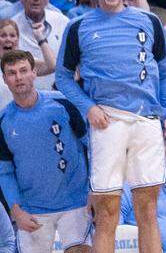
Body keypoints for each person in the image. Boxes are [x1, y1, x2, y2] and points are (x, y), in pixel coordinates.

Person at [55, 0, 166, 253]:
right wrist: (88, 107)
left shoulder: (149, 21)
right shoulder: (78, 26)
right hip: (107, 121)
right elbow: (63, 77)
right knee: (107, 212)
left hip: (146, 120)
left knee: (147, 209)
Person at [0, 50, 91, 253]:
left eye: (23, 70)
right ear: (5, 79)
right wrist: (16, 211)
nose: (19, 77)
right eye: (12, 73)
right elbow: (4, 172)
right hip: (32, 209)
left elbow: (90, 145)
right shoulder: (3, 120)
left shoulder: (64, 103)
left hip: (76, 202)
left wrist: (94, 190)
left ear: (34, 73)